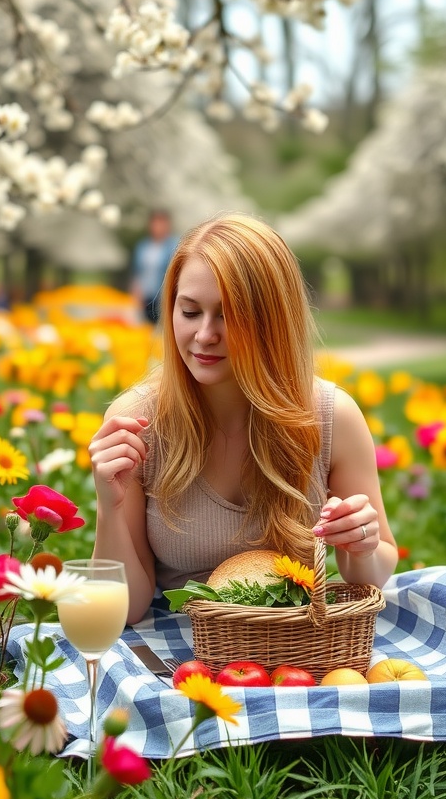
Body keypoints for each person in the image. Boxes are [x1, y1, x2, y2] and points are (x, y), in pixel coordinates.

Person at [90, 213, 398, 625]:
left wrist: (361, 546)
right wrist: (110, 508)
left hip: (298, 642)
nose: (204, 335)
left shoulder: (331, 418)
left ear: (272, 322)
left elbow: (374, 573)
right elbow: (126, 610)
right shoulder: (138, 423)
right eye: (190, 311)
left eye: (227, 315)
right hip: (183, 647)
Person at [129, 209, 179, 323]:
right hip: (146, 297)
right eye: (155, 222)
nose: (158, 226)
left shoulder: (174, 245)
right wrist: (137, 295)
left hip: (164, 297)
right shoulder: (142, 247)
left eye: (162, 223)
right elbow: (138, 273)